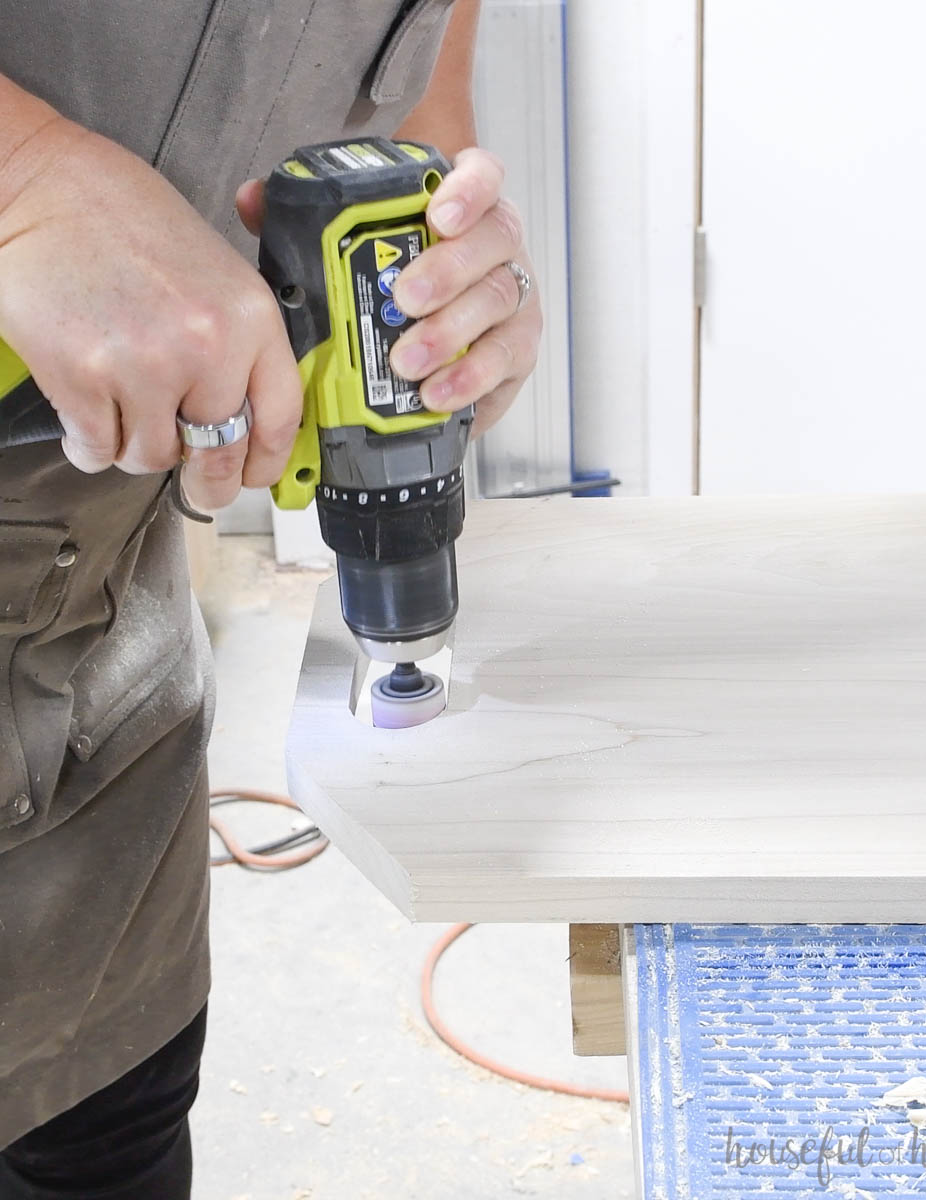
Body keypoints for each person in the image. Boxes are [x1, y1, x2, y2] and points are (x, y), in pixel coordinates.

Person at [0, 1, 542, 1195]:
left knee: (105, 1111)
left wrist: (441, 228)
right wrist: (24, 179)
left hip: (100, 624)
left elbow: (420, 76)